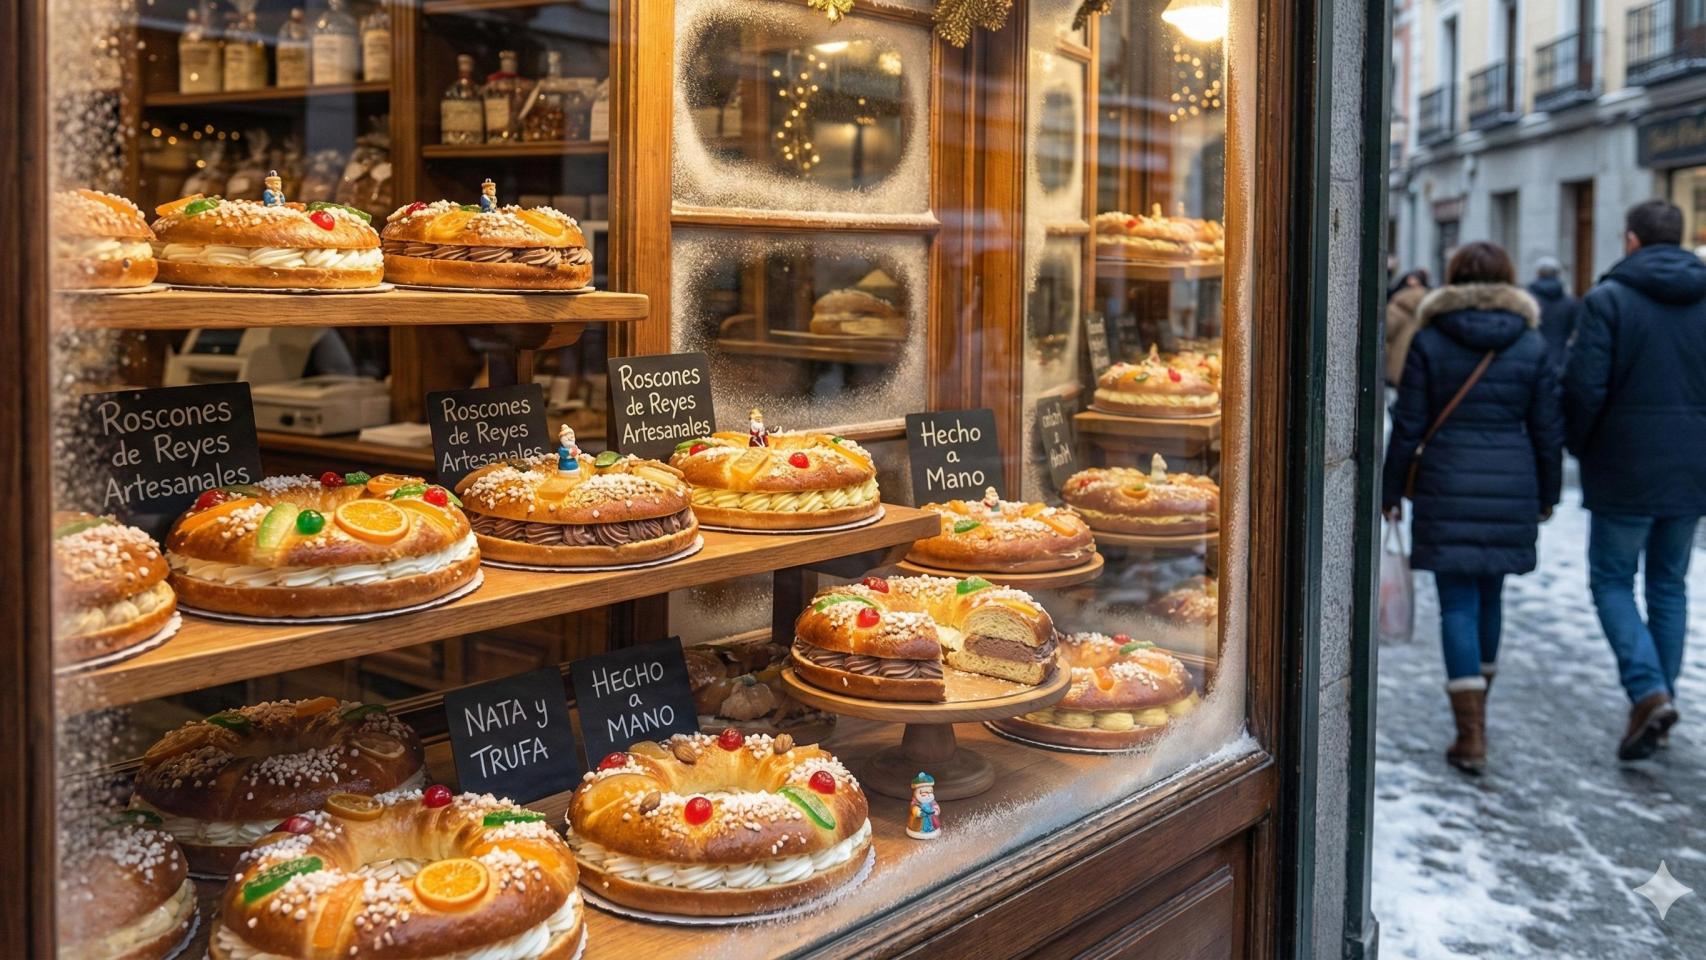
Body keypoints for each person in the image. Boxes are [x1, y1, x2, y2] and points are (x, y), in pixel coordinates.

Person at [1382, 242, 1563, 773]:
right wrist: (1546, 495)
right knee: (1491, 595)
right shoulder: (1529, 343)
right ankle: (1477, 716)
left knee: (1457, 602)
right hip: (1513, 481)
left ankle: (1470, 732)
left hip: (1446, 481)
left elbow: (1409, 424)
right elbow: (1548, 430)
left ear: (1453, 278)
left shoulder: (1432, 338)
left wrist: (1391, 490)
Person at [1564, 199, 1706, 761]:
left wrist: (1580, 444)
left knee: (1612, 580)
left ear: (1631, 242)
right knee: (1669, 584)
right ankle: (1656, 702)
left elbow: (1584, 389)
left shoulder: (1608, 300)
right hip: (1694, 466)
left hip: (1625, 464)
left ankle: (1648, 693)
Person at [1527, 256, 1579, 373]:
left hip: (1531, 360)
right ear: (1558, 273)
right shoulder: (1570, 302)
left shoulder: (1526, 301)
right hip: (1560, 360)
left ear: (1537, 273)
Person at [1384, 268, 1430, 387]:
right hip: (1421, 365)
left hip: (1396, 365)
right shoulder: (1430, 306)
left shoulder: (1399, 304)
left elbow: (1386, 330)